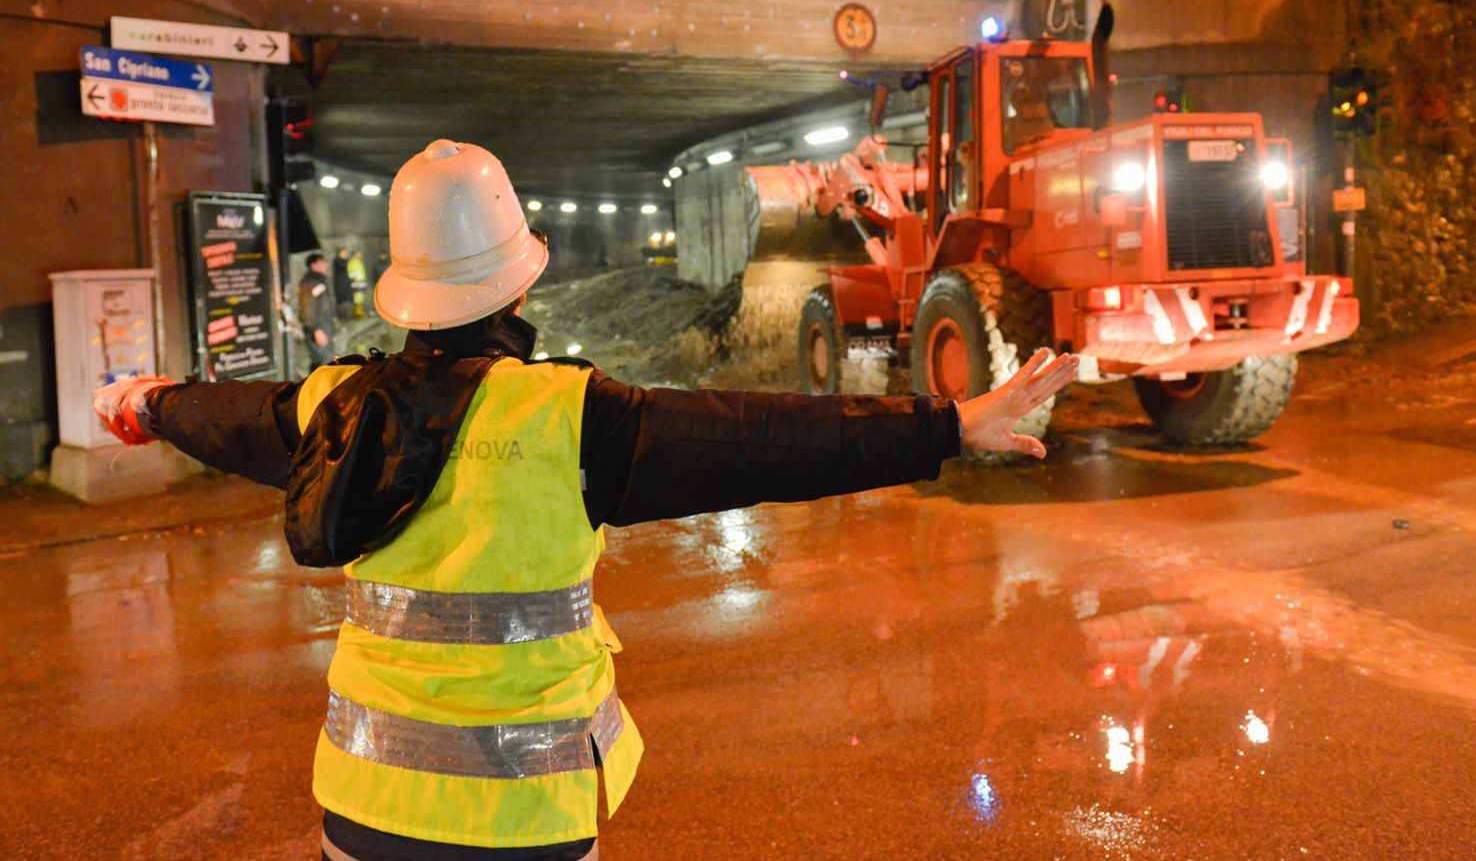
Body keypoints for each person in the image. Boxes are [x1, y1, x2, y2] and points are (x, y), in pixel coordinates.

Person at [92, 139, 1078, 860]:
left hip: (361, 806)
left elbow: (223, 414)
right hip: (523, 818)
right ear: (518, 284)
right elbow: (759, 438)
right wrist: (948, 424)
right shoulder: (571, 415)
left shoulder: (332, 408)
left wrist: (149, 401)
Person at [297, 253, 337, 373]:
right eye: (323, 262)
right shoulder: (311, 283)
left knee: (324, 364)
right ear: (313, 265)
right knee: (324, 365)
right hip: (319, 331)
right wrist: (316, 330)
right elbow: (307, 309)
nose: (326, 265)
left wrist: (332, 331)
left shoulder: (320, 281)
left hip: (325, 330)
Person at [333, 248, 354, 322]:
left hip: (347, 288)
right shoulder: (338, 262)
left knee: (348, 307)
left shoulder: (346, 262)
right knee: (342, 307)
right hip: (341, 289)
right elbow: (342, 266)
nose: (346, 254)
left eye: (346, 252)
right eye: (343, 252)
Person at [348, 250, 369, 319]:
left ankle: (360, 312)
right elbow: (351, 274)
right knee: (357, 298)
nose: (360, 255)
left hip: (361, 283)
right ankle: (358, 314)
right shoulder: (352, 262)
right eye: (359, 254)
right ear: (354, 255)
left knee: (361, 298)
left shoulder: (359, 262)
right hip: (356, 283)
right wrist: (355, 280)